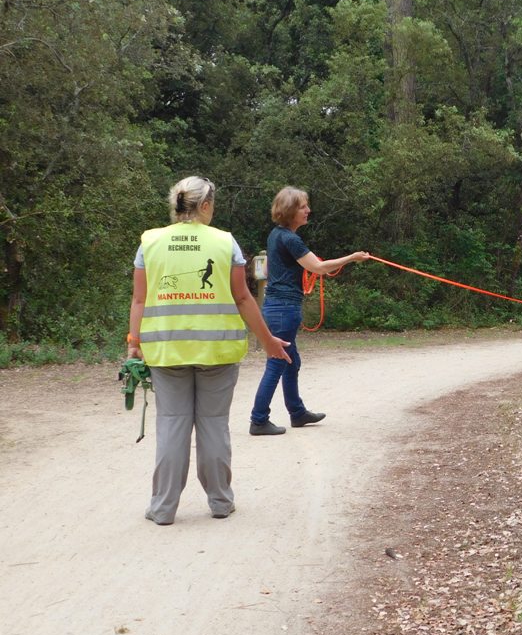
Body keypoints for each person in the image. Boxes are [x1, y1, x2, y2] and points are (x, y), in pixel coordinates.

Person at [128, 176, 291, 525]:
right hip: (217, 351)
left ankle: (163, 509)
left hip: (166, 350)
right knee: (214, 425)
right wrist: (268, 341)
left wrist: (133, 344)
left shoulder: (150, 243)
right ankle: (220, 502)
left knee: (172, 425)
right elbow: (243, 297)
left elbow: (139, 299)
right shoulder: (224, 242)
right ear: (204, 206)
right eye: (212, 204)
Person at [249, 186, 370, 435]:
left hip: (276, 306)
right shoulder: (290, 239)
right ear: (291, 210)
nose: (308, 210)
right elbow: (319, 267)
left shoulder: (275, 235)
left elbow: (278, 269)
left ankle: (297, 413)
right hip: (284, 309)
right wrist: (352, 258)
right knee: (278, 362)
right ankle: (259, 419)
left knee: (291, 362)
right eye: (303, 206)